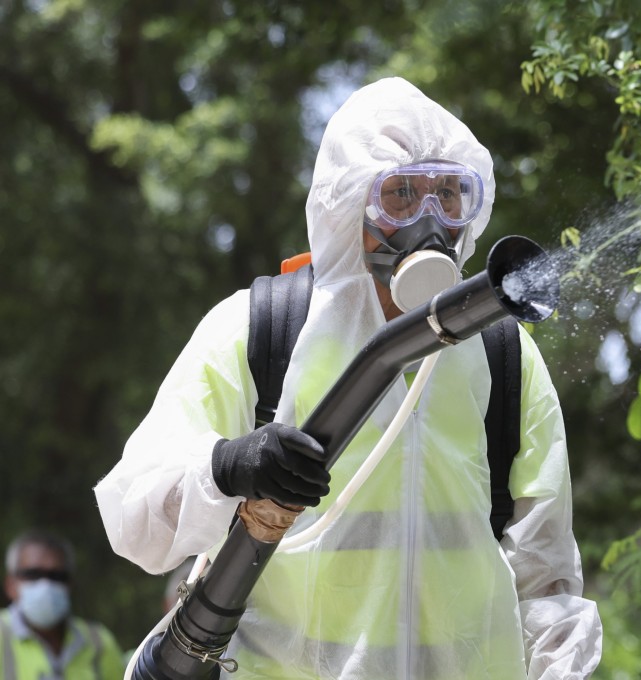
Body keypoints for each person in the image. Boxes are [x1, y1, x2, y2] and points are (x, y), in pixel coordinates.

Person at [94, 76, 602, 679]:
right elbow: (135, 519)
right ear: (348, 203)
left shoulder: (500, 347)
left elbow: (546, 575)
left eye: (449, 194)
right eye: (401, 194)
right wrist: (227, 464)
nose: (430, 220)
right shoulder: (263, 326)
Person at [1, 530, 125, 680]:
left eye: (57, 576)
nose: (45, 584)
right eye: (33, 574)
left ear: (70, 585)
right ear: (10, 585)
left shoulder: (99, 642)